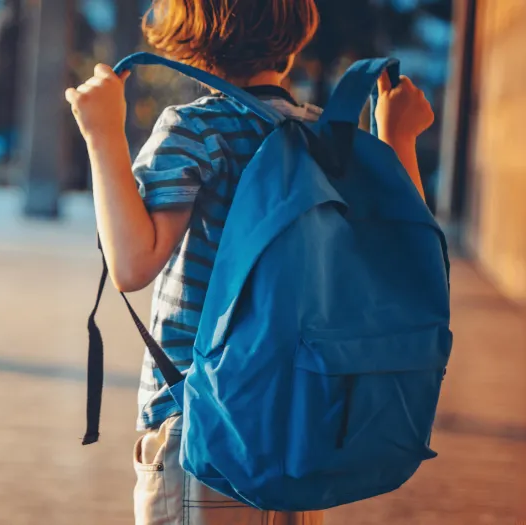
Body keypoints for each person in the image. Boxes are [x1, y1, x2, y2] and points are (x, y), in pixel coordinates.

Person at [64, 1, 435, 523]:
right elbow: (398, 256)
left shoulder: (194, 130)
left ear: (186, 37)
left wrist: (101, 134)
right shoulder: (325, 139)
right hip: (305, 421)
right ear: (294, 39)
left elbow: (132, 264)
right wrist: (398, 139)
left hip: (205, 425)